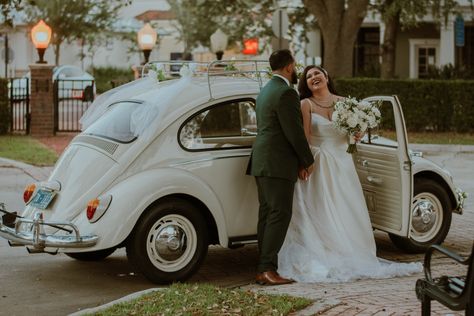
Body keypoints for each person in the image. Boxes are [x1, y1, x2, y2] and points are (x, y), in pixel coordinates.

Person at [278, 65, 422, 282]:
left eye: (317, 73)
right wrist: (305, 163)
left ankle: (353, 252)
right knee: (322, 208)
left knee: (348, 205)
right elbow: (305, 137)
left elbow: (355, 135)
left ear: (326, 76)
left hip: (344, 162)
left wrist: (358, 133)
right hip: (319, 164)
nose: (314, 77)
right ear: (306, 84)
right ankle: (325, 251)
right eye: (309, 76)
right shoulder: (305, 104)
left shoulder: (346, 102)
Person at [247, 50, 315, 286]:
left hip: (262, 160)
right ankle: (267, 269)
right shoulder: (286, 92)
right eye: (294, 66)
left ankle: (263, 267)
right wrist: (307, 160)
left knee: (267, 214)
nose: (295, 70)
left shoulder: (265, 90)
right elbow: (294, 132)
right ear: (289, 67)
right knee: (279, 214)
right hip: (277, 162)